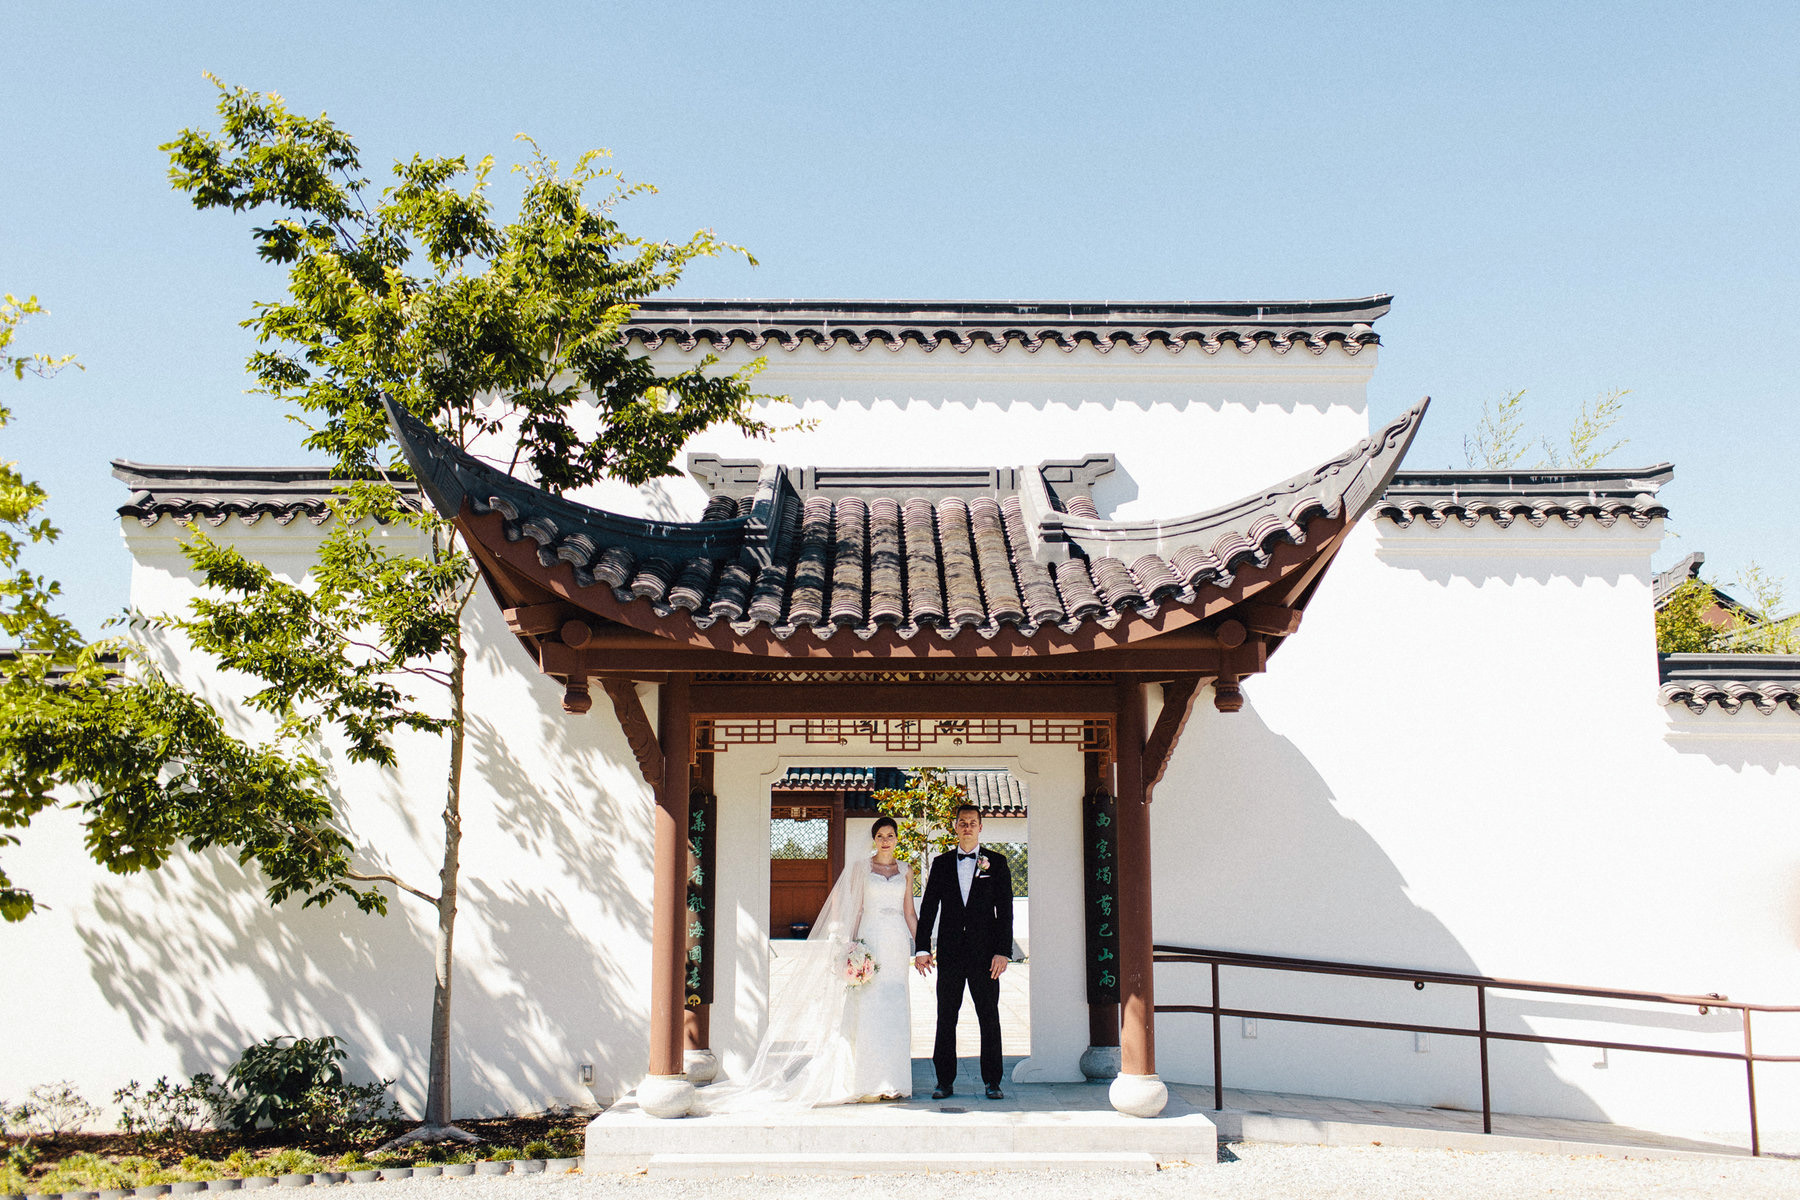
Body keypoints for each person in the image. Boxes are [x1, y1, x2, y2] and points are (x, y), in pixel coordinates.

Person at [696, 816, 918, 1111]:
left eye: (891, 835)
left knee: (894, 1008)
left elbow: (910, 913)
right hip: (871, 939)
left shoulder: (906, 871)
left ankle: (892, 1081)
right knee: (868, 1009)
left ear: (897, 838)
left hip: (896, 945)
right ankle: (866, 1080)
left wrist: (923, 946)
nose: (886, 840)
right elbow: (856, 909)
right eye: (881, 835)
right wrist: (852, 948)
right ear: (874, 839)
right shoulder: (861, 868)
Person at [913, 803, 1014, 1100]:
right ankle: (944, 1080)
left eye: (972, 822)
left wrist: (1002, 952)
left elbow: (1005, 911)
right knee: (946, 1016)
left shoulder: (997, 862)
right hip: (951, 953)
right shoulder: (942, 863)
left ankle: (993, 1081)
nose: (967, 827)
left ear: (981, 827)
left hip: (986, 957)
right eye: (962, 822)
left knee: (989, 1016)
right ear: (955, 827)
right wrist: (922, 947)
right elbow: (929, 907)